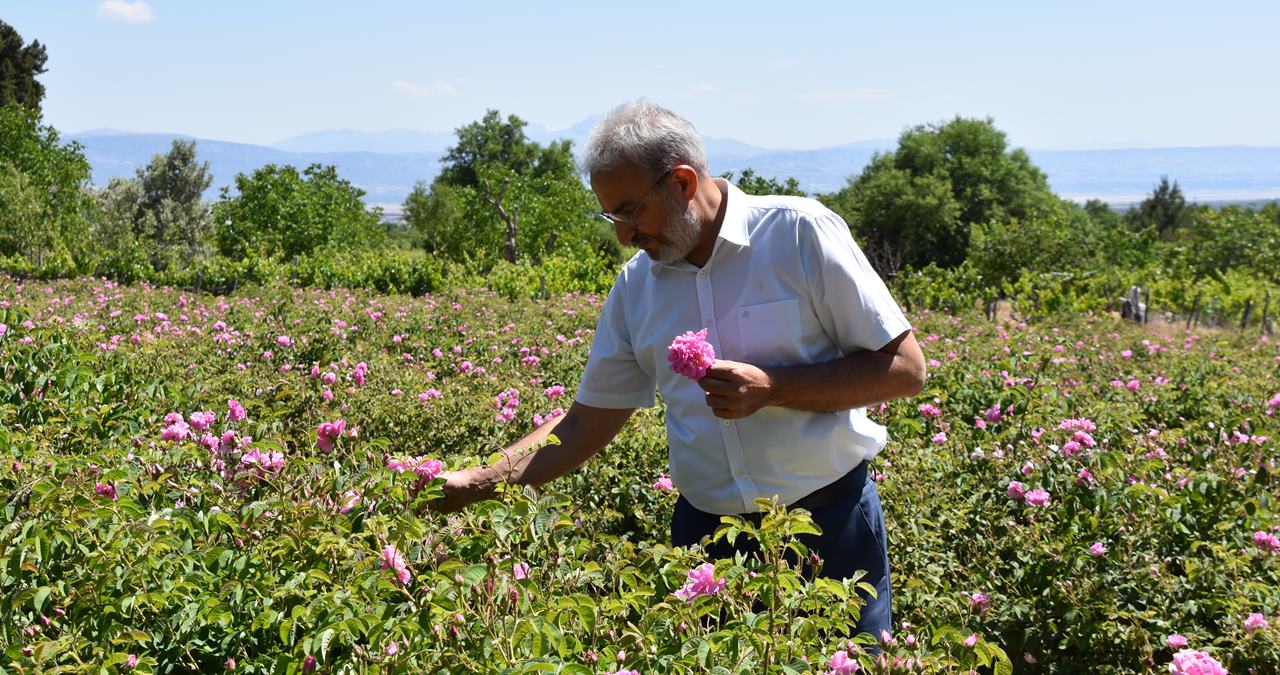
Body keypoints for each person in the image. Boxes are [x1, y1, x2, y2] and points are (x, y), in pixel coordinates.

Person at [435, 100, 926, 638]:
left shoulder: (798, 234)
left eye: (630, 210)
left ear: (683, 182)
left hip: (827, 528)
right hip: (706, 538)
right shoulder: (636, 286)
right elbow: (582, 424)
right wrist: (473, 481)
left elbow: (903, 369)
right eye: (612, 216)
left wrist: (776, 387)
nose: (624, 234)